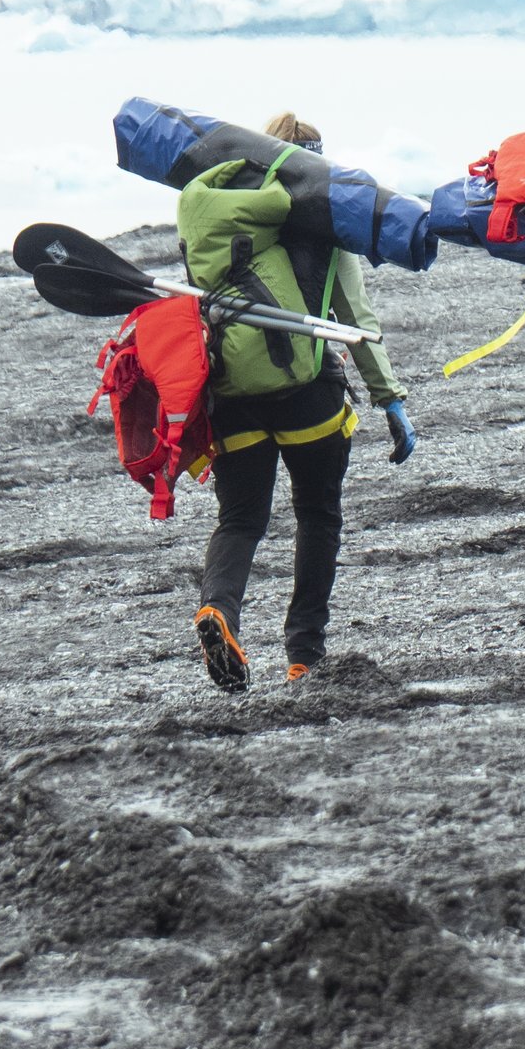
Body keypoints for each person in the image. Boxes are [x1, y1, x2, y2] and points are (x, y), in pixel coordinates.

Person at [193, 112, 417, 691]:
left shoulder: (220, 214)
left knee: (240, 519)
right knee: (318, 515)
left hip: (231, 396)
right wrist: (389, 399)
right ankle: (303, 654)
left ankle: (218, 609)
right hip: (308, 396)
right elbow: (353, 317)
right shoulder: (323, 217)